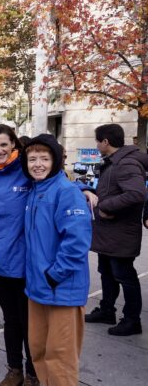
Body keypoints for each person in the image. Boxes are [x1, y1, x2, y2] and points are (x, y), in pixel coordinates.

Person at [22, 134, 92, 385]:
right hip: (37, 289)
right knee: (39, 351)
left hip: (61, 289)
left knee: (60, 358)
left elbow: (77, 242)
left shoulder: (66, 192)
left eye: (44, 158)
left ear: (55, 161)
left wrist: (54, 275)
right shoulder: (35, 190)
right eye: (32, 159)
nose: (37, 164)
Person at [0, 124, 38, 385]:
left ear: (14, 144)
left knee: (29, 322)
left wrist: (85, 191)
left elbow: (56, 186)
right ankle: (15, 370)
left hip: (26, 262)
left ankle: (34, 371)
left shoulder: (27, 171)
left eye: (4, 144)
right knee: (10, 320)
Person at [84, 124, 144, 336]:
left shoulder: (126, 164)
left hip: (120, 233)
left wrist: (106, 207)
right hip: (108, 233)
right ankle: (107, 310)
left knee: (124, 276)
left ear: (105, 142)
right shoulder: (113, 163)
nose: (97, 145)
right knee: (107, 273)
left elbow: (136, 194)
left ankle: (132, 320)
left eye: (97, 141)